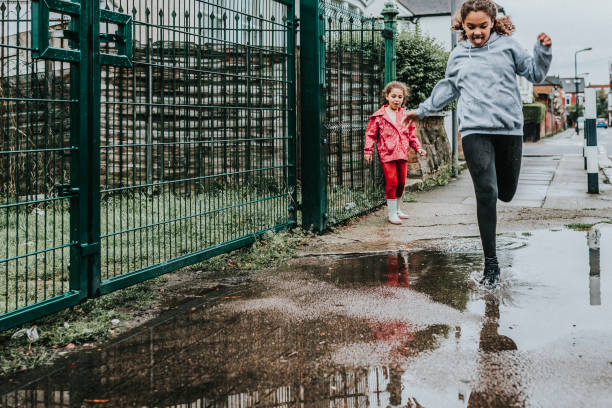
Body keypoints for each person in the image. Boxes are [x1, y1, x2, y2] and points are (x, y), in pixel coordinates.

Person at [403, 0, 552, 286]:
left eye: (483, 26)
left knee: (505, 193)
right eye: (471, 27)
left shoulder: (509, 47)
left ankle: (493, 252)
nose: (477, 32)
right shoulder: (459, 55)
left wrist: (543, 51)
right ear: (463, 25)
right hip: (474, 130)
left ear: (493, 23)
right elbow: (449, 87)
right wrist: (422, 109)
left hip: (508, 129)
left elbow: (535, 73)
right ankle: (491, 265)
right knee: (486, 192)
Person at [364, 81, 427, 225]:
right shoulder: (379, 116)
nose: (397, 99)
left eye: (400, 97)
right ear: (387, 96)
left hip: (402, 153)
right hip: (387, 154)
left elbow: (412, 135)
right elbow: (370, 134)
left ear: (403, 99)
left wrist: (418, 148)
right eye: (393, 96)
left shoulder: (406, 115)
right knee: (391, 183)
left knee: (401, 183)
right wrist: (368, 151)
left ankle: (397, 209)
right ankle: (391, 213)